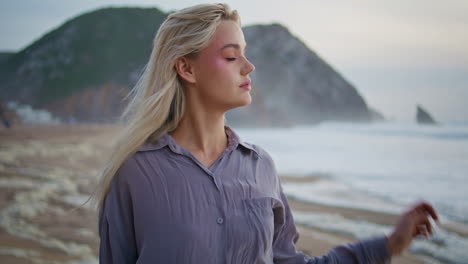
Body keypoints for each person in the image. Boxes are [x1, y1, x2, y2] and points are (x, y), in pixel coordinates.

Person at [92, 3, 439, 263]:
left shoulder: (261, 168)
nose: (249, 66)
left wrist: (390, 244)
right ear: (186, 67)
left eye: (245, 53)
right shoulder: (134, 174)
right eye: (231, 57)